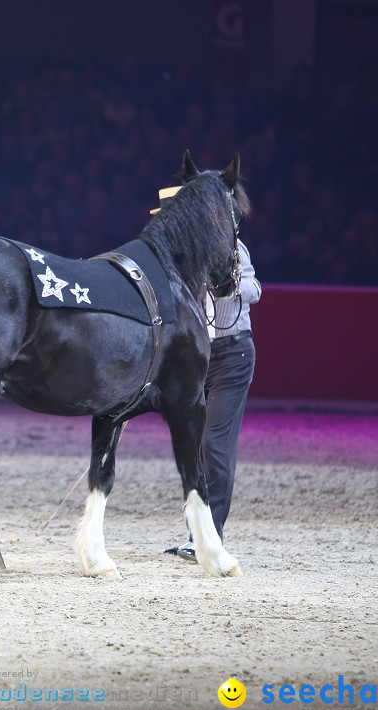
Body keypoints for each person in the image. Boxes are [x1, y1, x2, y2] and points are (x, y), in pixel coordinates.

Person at [154, 186, 262, 561]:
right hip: (197, 356)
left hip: (232, 353)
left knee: (215, 444)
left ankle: (210, 535)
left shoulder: (234, 251)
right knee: (197, 445)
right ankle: (198, 533)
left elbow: (255, 287)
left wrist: (230, 289)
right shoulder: (184, 256)